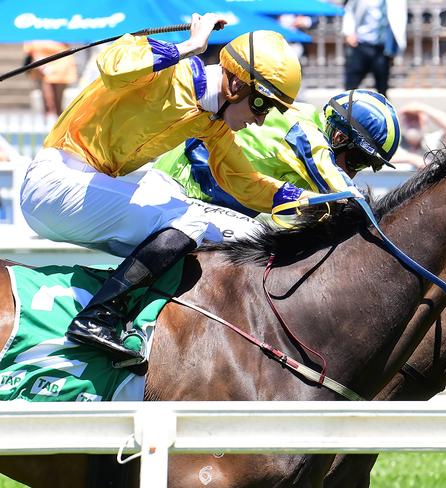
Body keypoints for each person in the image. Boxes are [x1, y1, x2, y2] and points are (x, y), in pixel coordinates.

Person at [19, 14, 313, 365]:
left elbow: (242, 180)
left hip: (82, 190)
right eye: (263, 105)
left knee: (208, 223)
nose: (262, 120)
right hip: (55, 182)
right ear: (235, 86)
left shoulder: (211, 122)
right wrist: (189, 47)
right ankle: (99, 317)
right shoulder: (168, 73)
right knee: (185, 217)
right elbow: (112, 63)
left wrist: (301, 200)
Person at [151, 89, 402, 219]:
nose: (354, 172)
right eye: (358, 160)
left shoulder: (316, 140)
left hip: (206, 196)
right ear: (339, 137)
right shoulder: (305, 131)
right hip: (181, 186)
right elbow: (344, 192)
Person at [342, 0, 407, 96]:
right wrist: (349, 33)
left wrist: (396, 46)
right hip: (361, 44)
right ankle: (346, 108)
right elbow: (349, 11)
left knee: (382, 87)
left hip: (382, 47)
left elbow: (399, 19)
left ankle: (383, 109)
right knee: (351, 85)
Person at [391, 103, 446, 168]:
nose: (412, 122)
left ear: (425, 122)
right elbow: (381, 158)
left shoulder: (434, 141)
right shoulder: (394, 144)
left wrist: (423, 108)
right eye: (408, 118)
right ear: (401, 122)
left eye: (416, 118)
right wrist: (412, 159)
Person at [23, 41, 78, 125]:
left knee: (58, 103)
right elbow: (29, 49)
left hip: (61, 64)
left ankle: (59, 126)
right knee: (49, 102)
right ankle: (49, 123)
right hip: (42, 64)